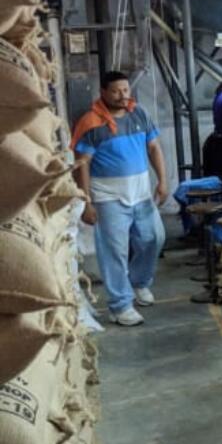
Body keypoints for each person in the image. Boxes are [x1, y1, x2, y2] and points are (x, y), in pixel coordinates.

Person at [71, 71, 168, 326]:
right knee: (114, 251)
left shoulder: (139, 114)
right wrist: (87, 202)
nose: (123, 95)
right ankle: (120, 305)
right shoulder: (91, 123)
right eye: (116, 91)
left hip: (141, 194)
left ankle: (139, 282)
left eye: (126, 90)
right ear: (103, 92)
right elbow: (82, 163)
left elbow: (154, 148)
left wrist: (163, 181)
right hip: (108, 198)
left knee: (153, 238)